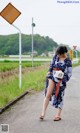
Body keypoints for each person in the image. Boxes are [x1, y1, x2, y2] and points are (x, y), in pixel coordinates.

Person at [40, 45, 72, 121]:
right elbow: (51, 66)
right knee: (48, 94)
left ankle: (58, 115)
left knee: (60, 96)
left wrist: (63, 77)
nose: (58, 55)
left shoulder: (68, 61)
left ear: (63, 53)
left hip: (61, 81)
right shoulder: (55, 57)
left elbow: (69, 74)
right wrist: (48, 72)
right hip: (52, 77)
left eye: (59, 54)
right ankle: (43, 113)